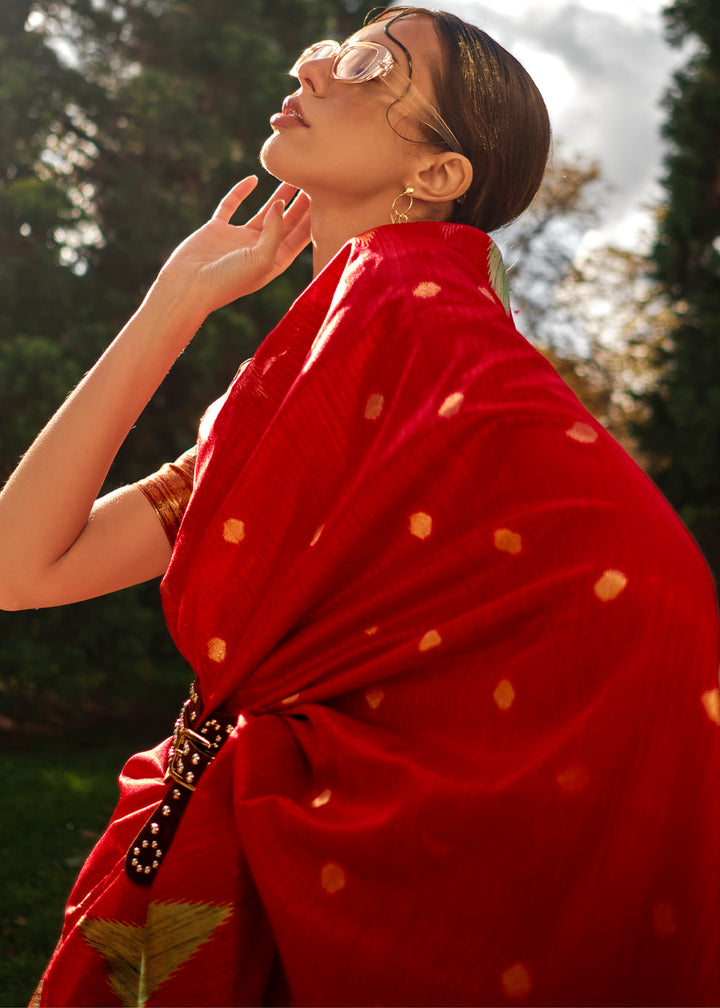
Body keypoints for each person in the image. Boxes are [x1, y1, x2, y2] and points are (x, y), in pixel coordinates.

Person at [1, 6, 718, 1006]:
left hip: (352, 865)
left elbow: (644, 583)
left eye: (374, 63)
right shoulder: (294, 399)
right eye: (334, 45)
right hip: (224, 856)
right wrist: (173, 301)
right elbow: (18, 563)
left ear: (437, 175)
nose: (316, 64)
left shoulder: (428, 334)